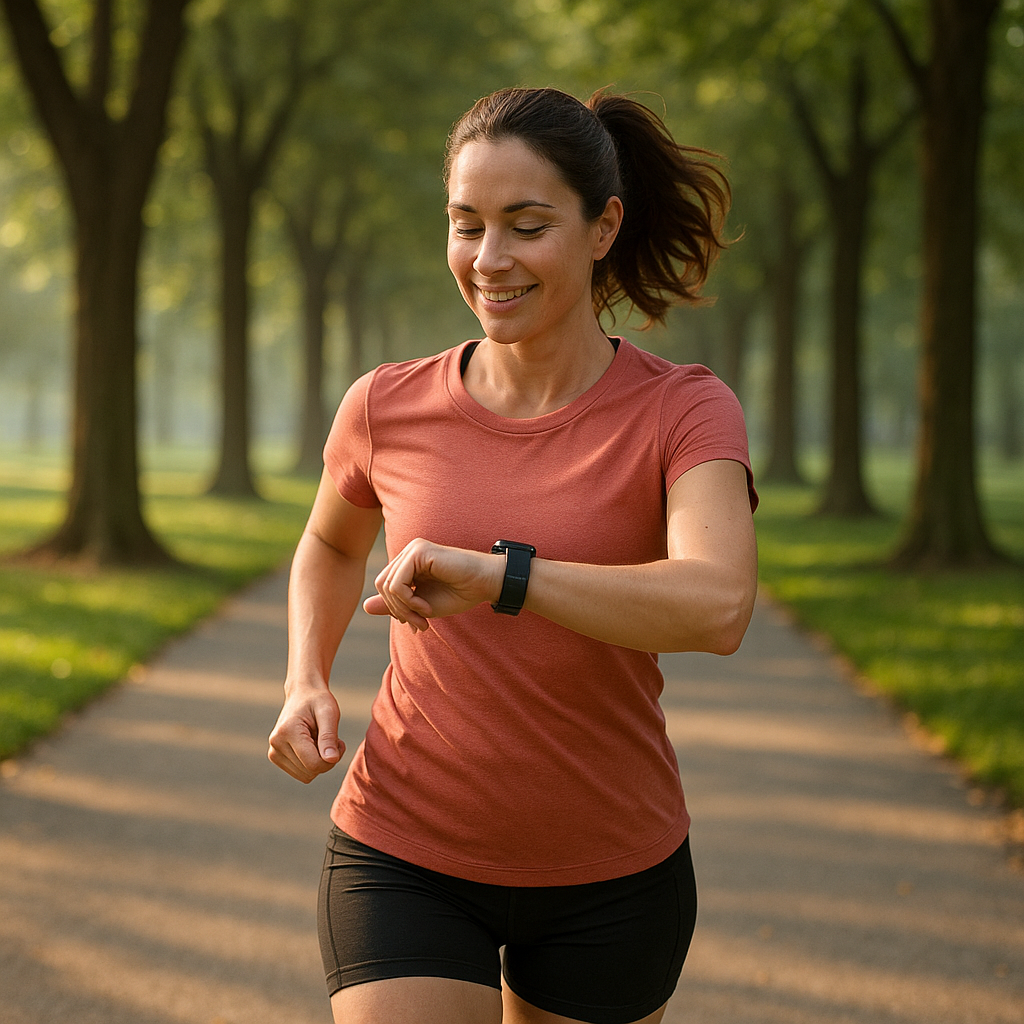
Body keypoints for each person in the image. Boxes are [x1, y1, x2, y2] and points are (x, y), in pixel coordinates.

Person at [269, 86, 758, 1024]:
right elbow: (331, 542)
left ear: (603, 225)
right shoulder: (385, 403)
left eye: (525, 226)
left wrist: (505, 577)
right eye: (466, 225)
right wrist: (306, 678)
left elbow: (717, 605)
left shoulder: (685, 411)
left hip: (612, 870)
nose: (488, 260)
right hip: (403, 847)